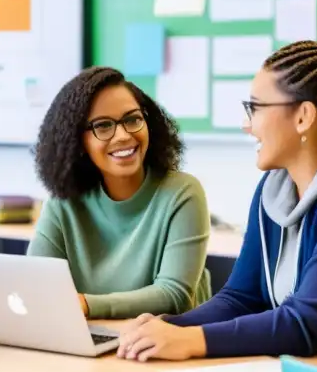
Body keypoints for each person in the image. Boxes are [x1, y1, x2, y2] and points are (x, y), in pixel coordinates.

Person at [117, 38, 317, 363]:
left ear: (303, 116)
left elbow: (308, 323)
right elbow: (242, 298)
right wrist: (164, 328)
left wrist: (190, 340)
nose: (247, 125)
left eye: (255, 108)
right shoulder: (273, 191)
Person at [28, 66, 210, 319]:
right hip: (91, 341)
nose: (123, 135)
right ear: (77, 141)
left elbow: (173, 294)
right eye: (103, 126)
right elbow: (35, 284)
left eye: (132, 119)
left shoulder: (182, 193)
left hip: (163, 346)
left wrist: (86, 305)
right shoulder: (63, 202)